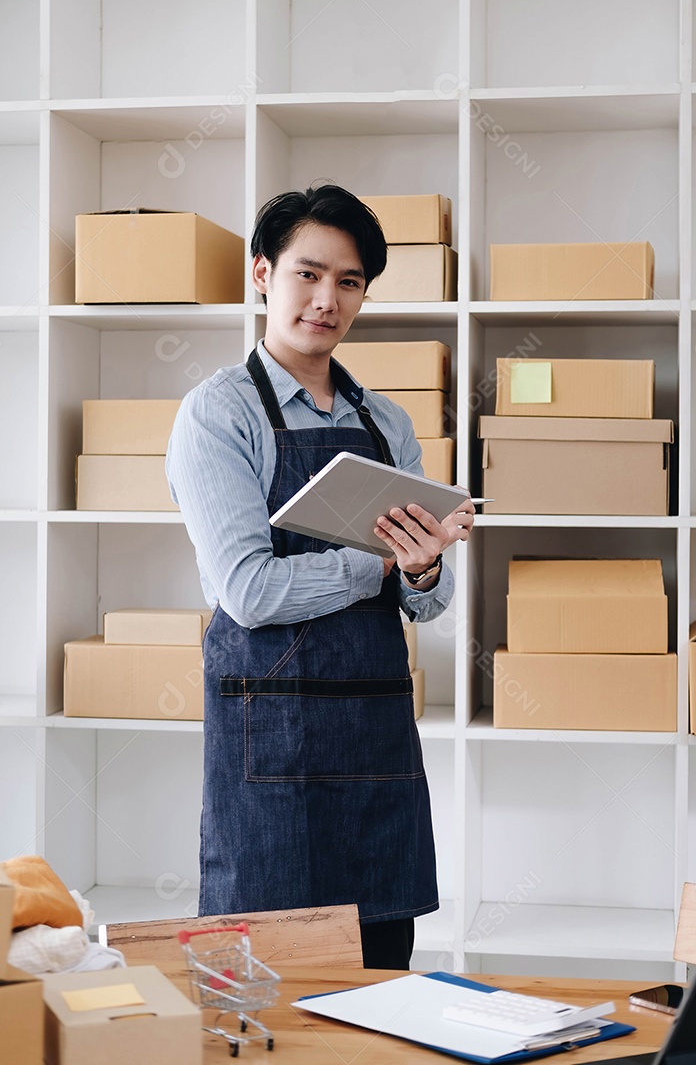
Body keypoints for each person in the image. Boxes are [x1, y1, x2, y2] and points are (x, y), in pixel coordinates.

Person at [166, 182, 475, 970]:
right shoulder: (219, 414)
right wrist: (377, 565)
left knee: (382, 985)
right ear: (264, 273)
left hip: (375, 741)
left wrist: (425, 562)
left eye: (348, 281)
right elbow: (249, 591)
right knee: (269, 1001)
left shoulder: (388, 423)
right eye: (307, 273)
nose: (325, 299)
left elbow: (429, 601)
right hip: (269, 750)